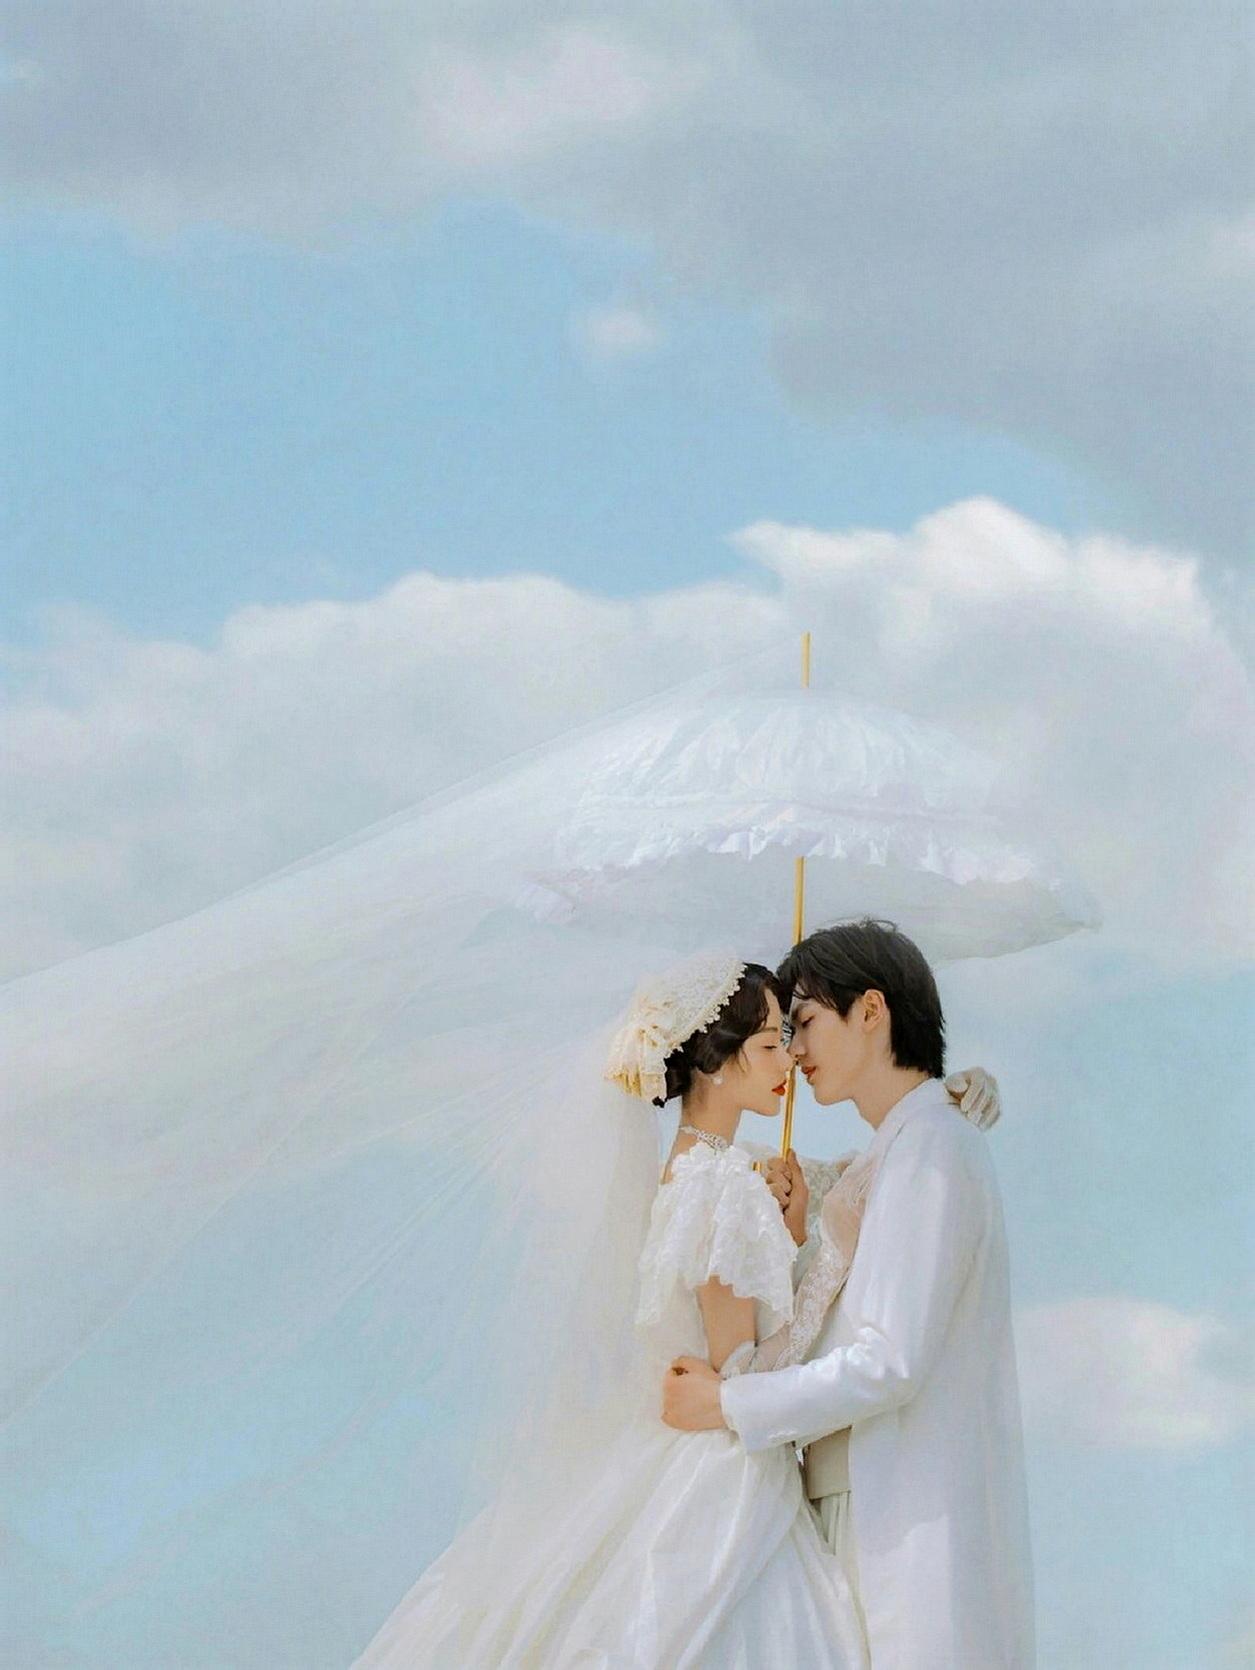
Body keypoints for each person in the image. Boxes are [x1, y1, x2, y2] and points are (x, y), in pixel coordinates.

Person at [350, 950, 870, 1668]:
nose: (788, 1062)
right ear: (716, 1063)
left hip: (666, 1442)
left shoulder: (681, 1170)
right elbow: (742, 1373)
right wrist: (815, 1251)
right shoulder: (726, 1185)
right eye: (766, 1045)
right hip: (720, 1468)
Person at [662, 919, 1035, 1670]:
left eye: (803, 1023)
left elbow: (889, 1360)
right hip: (842, 1503)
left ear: (870, 1011)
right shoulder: (892, 1153)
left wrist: (728, 1405)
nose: (794, 1052)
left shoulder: (932, 1148)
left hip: (898, 1511)